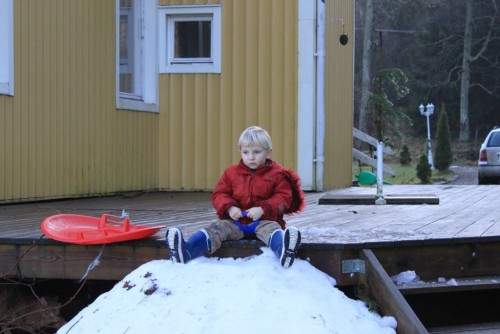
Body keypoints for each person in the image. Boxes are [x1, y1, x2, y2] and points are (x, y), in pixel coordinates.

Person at [166, 126, 305, 268]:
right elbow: (220, 194)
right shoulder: (231, 173)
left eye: (256, 152)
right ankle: (186, 250)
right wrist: (230, 208)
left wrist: (263, 209)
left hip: (265, 220)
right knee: (216, 229)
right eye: (246, 152)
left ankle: (284, 250)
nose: (251, 157)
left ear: (268, 152)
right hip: (235, 221)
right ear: (240, 151)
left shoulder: (277, 174)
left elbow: (283, 198)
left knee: (273, 230)